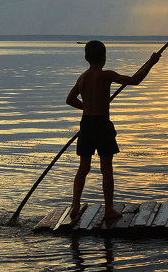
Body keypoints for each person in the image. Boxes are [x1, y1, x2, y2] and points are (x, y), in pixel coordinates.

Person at [66, 40, 160, 220]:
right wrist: (150, 63)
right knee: (106, 169)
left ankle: (75, 206)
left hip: (86, 124)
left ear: (87, 57)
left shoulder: (82, 77)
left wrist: (87, 107)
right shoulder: (106, 75)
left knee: (83, 168)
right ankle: (108, 209)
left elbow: (70, 100)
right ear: (104, 58)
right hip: (102, 124)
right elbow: (135, 80)